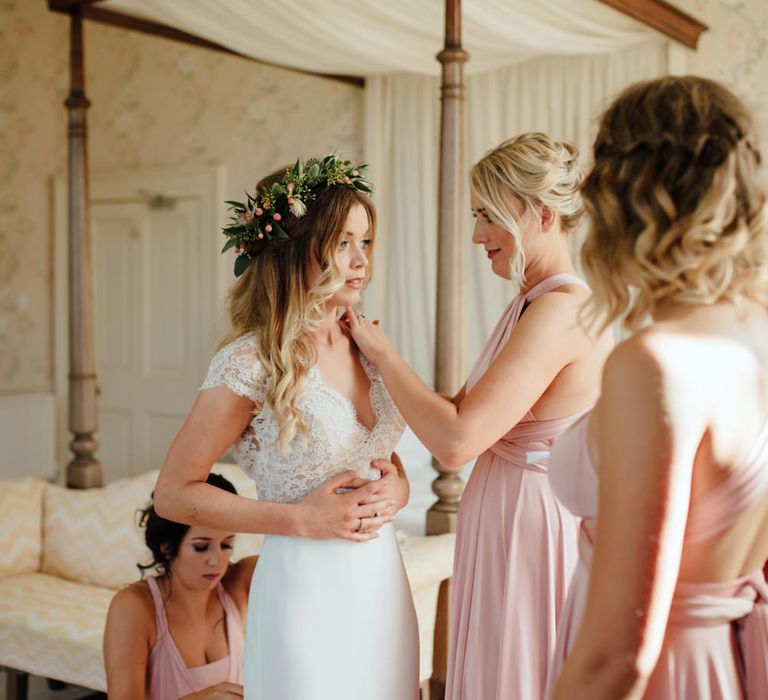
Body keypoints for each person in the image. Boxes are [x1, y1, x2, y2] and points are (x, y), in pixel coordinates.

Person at [343, 133, 613, 699]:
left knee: (520, 670)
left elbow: (456, 441)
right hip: (503, 509)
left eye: (488, 215)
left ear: (540, 214)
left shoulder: (560, 310)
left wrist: (385, 355)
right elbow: (459, 411)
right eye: (475, 215)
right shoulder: (529, 303)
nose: (476, 235)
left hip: (531, 519)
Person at [152, 155, 419, 700]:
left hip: (382, 586)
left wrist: (400, 487)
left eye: (365, 243)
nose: (360, 260)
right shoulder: (250, 363)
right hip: (304, 592)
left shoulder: (370, 346)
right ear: (297, 249)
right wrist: (297, 519)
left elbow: (383, 461)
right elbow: (172, 494)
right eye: (343, 243)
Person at [547, 75, 768, 699]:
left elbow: (618, 658)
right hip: (727, 662)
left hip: (663, 677)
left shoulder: (656, 365)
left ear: (626, 194)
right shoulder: (758, 332)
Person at [104, 472, 256, 699]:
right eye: (201, 547)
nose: (216, 560)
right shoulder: (134, 607)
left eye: (226, 545)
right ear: (167, 548)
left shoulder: (237, 584)